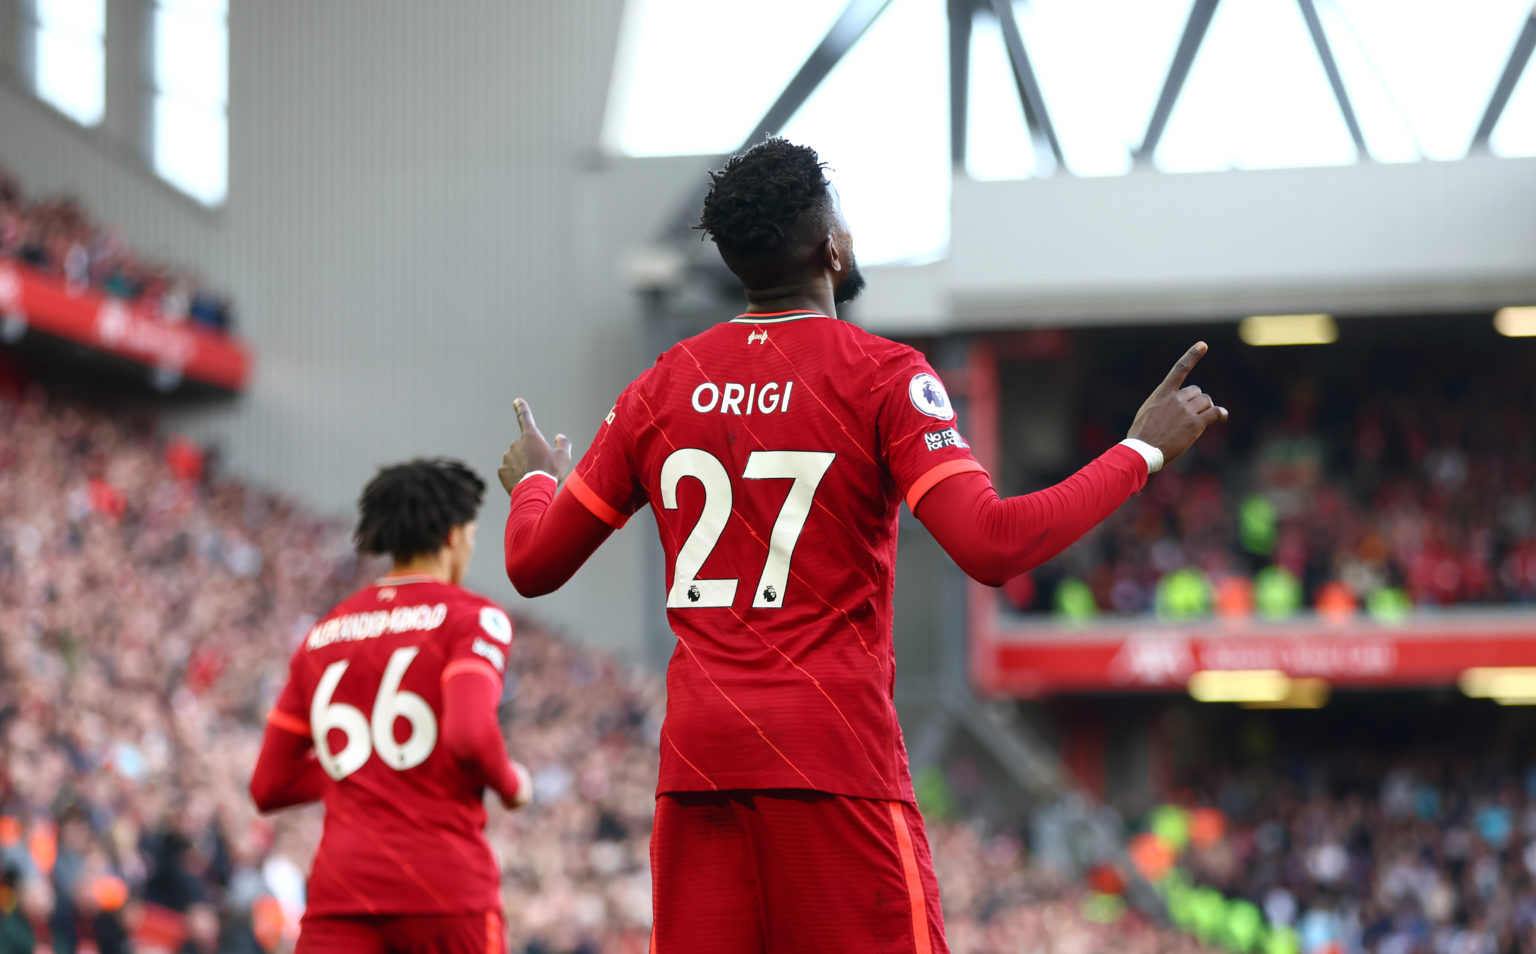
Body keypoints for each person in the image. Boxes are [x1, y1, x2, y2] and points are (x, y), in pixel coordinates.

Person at [498, 137, 1226, 953]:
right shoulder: (879, 375)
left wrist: (536, 482)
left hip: (699, 768)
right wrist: (1141, 451)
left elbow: (531, 564)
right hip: (829, 762)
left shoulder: (662, 385)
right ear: (832, 249)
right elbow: (992, 543)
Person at [250, 458, 532, 954]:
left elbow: (268, 785)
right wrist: (512, 784)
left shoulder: (323, 635)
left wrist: (366, 765)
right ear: (454, 535)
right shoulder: (473, 617)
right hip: (443, 892)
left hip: (341, 896)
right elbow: (469, 735)